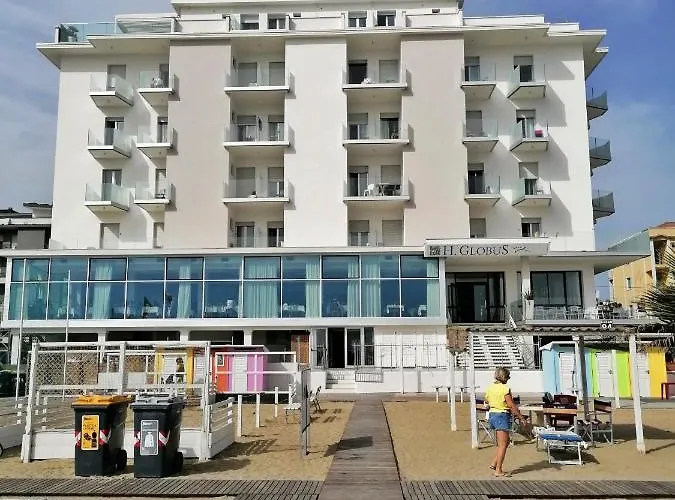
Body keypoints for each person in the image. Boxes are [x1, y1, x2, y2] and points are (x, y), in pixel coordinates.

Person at [485, 367, 528, 478]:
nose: (509, 378)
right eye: (508, 376)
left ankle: (494, 463)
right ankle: (498, 470)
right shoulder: (505, 389)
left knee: (505, 441)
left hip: (492, 415)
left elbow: (487, 400)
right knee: (503, 445)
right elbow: (511, 405)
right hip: (501, 415)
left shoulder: (490, 387)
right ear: (504, 377)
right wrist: (521, 417)